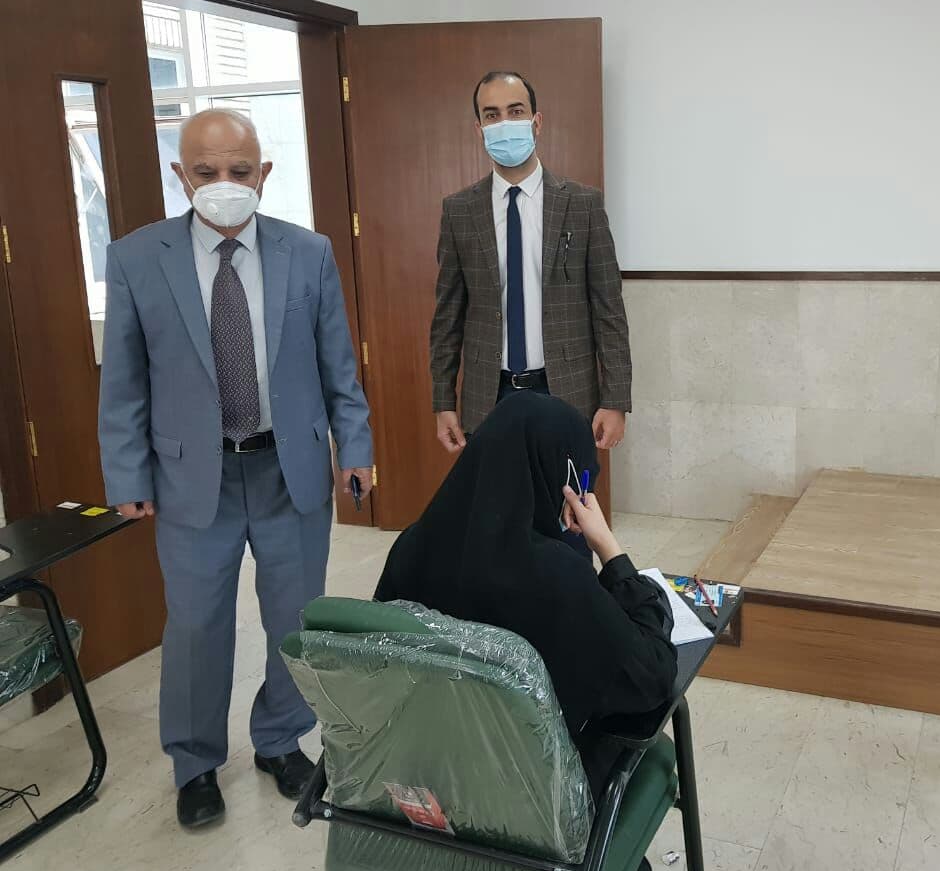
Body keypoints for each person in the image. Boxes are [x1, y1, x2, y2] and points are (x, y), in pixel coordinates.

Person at [98, 109, 374, 829]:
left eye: (240, 171)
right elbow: (123, 383)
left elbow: (338, 365)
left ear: (264, 174)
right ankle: (194, 762)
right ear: (181, 174)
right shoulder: (136, 258)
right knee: (196, 625)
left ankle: (280, 740)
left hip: (289, 469)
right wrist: (126, 475)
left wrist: (357, 446)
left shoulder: (307, 253)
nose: (224, 183)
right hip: (193, 478)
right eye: (206, 171)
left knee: (294, 616)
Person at [375, 391, 676, 807]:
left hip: (427, 786)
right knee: (651, 749)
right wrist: (609, 550)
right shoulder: (557, 578)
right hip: (531, 807)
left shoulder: (410, 547)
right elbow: (652, 676)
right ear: (567, 484)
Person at [430, 70, 632, 454]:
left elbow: (609, 309)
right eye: (492, 115)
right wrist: (443, 401)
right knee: (497, 494)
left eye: (516, 111)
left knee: (568, 493)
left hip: (568, 391)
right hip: (489, 397)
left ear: (536, 122)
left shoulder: (583, 205)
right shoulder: (459, 211)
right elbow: (447, 317)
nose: (504, 123)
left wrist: (616, 399)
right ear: (479, 129)